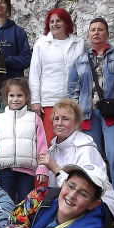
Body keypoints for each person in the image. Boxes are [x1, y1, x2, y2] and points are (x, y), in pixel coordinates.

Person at [68, 18, 114, 201]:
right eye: (93, 30)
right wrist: (74, 116)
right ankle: (97, 194)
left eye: (100, 30)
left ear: (107, 33)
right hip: (88, 113)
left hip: (113, 112)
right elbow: (73, 90)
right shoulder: (80, 60)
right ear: (88, 34)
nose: (96, 33)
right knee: (93, 157)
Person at [37, 99, 114, 223]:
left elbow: (84, 188)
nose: (59, 123)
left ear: (76, 124)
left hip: (98, 204)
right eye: (56, 119)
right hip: (72, 203)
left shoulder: (85, 147)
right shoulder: (52, 150)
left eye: (65, 119)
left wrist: (54, 167)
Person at [0, 78, 48, 204]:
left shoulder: (34, 119)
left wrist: (42, 167)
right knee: (5, 202)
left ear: (27, 97)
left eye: (19, 95)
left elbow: (42, 145)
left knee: (26, 204)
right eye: (11, 95)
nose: (15, 99)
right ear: (6, 97)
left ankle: (25, 224)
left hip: (27, 172)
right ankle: (5, 224)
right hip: (5, 171)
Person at [29, 8, 84, 144]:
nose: (54, 24)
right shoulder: (41, 44)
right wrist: (35, 100)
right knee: (50, 141)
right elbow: (34, 73)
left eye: (58, 20)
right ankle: (49, 166)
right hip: (49, 100)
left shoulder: (78, 43)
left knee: (72, 141)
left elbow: (83, 72)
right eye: (51, 21)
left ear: (66, 23)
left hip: (73, 100)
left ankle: (70, 166)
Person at [0, 0, 31, 79]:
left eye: (2, 2)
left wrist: (6, 61)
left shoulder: (18, 31)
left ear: (8, 7)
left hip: (13, 84)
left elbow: (26, 59)